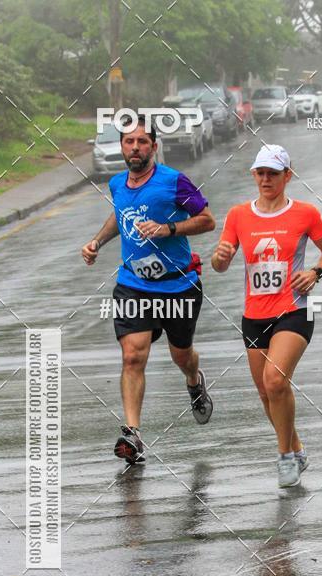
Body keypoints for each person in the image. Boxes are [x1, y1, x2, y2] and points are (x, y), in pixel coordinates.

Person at [81, 114, 215, 464]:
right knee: (132, 355)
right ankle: (132, 434)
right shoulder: (116, 184)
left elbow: (207, 220)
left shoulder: (174, 182)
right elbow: (119, 214)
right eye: (129, 141)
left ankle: (193, 379)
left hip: (178, 287)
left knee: (180, 355)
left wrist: (167, 229)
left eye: (142, 141)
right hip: (134, 285)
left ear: (154, 146)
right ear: (123, 147)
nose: (135, 147)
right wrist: (97, 241)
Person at [211, 144, 322, 488]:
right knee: (267, 395)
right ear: (253, 175)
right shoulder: (238, 215)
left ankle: (284, 457)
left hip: (292, 311)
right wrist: (219, 257)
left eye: (273, 173)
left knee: (275, 381)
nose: (266, 179)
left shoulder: (305, 213)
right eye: (260, 173)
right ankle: (297, 449)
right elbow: (220, 264)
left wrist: (315, 273)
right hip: (254, 316)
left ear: (287, 176)